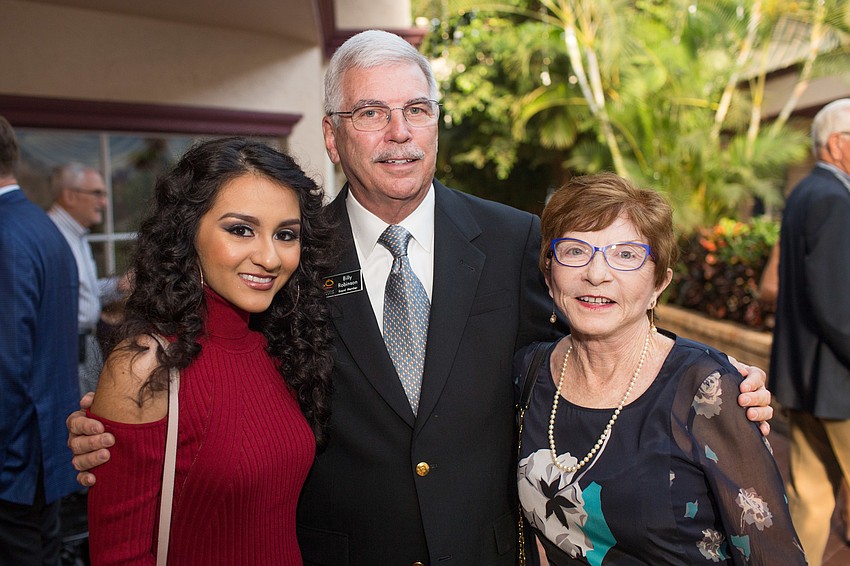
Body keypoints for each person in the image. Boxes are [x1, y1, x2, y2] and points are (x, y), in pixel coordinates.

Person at [68, 31, 773, 566]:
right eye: (370, 112)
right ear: (332, 135)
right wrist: (125, 430)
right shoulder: (288, 253)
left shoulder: (514, 238)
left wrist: (710, 387)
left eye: (416, 110)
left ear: (438, 123)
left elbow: (602, 332)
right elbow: (220, 374)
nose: (399, 133)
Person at [516, 172, 805, 564]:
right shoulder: (528, 373)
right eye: (574, 250)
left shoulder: (708, 391)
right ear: (549, 275)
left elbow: (774, 556)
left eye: (625, 255)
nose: (597, 274)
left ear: (658, 285)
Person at [84, 137, 335, 564]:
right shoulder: (145, 363)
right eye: (241, 229)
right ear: (187, 231)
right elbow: (119, 555)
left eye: (286, 234)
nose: (270, 257)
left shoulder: (283, 348)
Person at [769, 98, 850, 566]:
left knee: (810, 501)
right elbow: (838, 306)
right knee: (811, 499)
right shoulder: (836, 199)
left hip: (806, 381)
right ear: (837, 145)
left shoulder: (805, 193)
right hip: (839, 385)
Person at [0, 116, 80, 565]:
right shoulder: (40, 224)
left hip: (15, 462)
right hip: (42, 451)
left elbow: (7, 364)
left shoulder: (6, 232)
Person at [48, 163, 128, 394]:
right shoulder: (51, 237)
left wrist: (118, 286)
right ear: (69, 196)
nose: (104, 202)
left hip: (84, 346)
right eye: (97, 193)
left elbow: (82, 291)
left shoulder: (77, 235)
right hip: (65, 349)